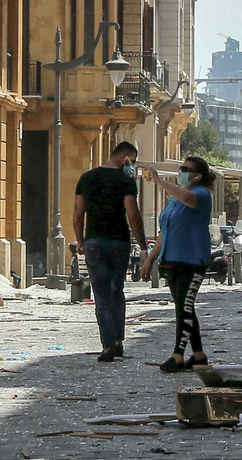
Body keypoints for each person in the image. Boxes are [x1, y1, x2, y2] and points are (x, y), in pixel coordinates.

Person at [71, 141, 148, 362]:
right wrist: (142, 246)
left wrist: (80, 240)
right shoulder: (125, 181)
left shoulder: (87, 178)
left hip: (95, 242)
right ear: (124, 157)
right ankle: (118, 341)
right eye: (132, 160)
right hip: (118, 242)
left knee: (102, 295)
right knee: (117, 291)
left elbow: (78, 213)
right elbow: (133, 215)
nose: (132, 165)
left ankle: (107, 345)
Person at [145, 156, 215, 373]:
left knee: (183, 309)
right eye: (181, 168)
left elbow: (188, 198)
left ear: (198, 175)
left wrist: (158, 180)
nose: (182, 171)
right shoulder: (174, 200)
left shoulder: (201, 194)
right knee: (184, 308)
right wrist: (150, 258)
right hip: (172, 260)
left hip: (192, 261)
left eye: (187, 169)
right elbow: (163, 232)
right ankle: (199, 355)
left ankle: (177, 354)